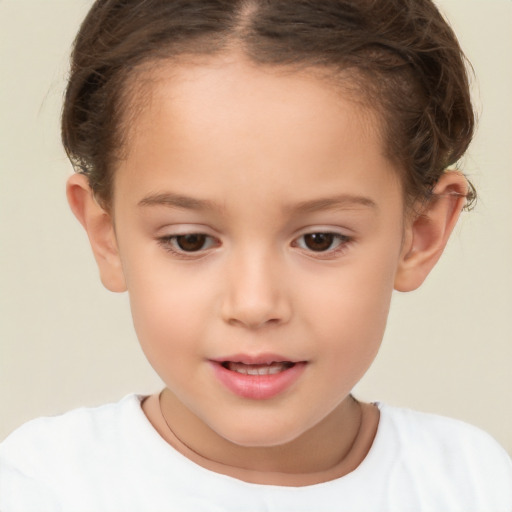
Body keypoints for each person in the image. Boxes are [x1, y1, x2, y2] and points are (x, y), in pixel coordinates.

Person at [1, 0, 511, 510]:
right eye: (190, 240)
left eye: (320, 240)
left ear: (420, 233)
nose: (253, 304)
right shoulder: (42, 486)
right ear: (106, 233)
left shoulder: (475, 485)